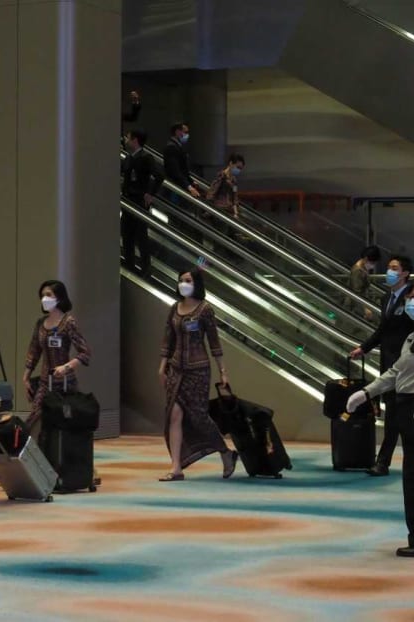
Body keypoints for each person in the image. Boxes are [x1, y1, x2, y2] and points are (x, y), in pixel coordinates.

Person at [346, 282, 414, 558]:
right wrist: (366, 392)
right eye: (411, 297)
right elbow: (397, 372)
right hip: (409, 407)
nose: (413, 301)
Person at [157, 268, 238, 481]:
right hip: (176, 369)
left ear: (197, 284)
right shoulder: (175, 308)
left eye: (188, 280)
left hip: (198, 370)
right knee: (173, 416)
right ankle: (176, 467)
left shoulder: (205, 310)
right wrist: (162, 366)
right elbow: (168, 339)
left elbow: (214, 341)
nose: (183, 283)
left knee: (199, 417)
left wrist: (223, 371)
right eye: (181, 280)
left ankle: (225, 452)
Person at [350, 255, 414, 476]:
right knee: (392, 415)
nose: (390, 271)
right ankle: (384, 462)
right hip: (389, 364)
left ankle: (394, 461)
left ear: (405, 273)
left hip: (408, 366)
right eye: (389, 268)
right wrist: (364, 348)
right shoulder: (387, 298)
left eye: (395, 268)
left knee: (403, 415)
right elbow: (383, 330)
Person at [22, 280, 92, 444]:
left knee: (66, 424)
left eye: (49, 295)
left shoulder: (68, 322)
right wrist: (26, 376)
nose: (44, 299)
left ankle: (66, 462)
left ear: (59, 298)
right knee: (34, 419)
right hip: (46, 383)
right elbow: (34, 351)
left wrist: (67, 366)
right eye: (42, 295)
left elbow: (85, 352)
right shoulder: (40, 324)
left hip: (65, 384)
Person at [121, 128, 164, 276]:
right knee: (127, 235)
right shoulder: (128, 158)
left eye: (128, 137)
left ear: (135, 140)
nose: (126, 140)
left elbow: (159, 176)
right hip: (127, 200)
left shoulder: (146, 157)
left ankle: (145, 268)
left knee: (141, 236)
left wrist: (150, 194)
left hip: (139, 201)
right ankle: (129, 264)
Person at [163, 122, 201, 199]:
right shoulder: (171, 147)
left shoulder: (178, 146)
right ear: (177, 132)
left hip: (180, 184)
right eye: (185, 132)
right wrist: (189, 186)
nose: (187, 135)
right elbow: (175, 171)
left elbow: (183, 170)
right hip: (175, 186)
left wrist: (191, 181)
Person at [344, 245, 381, 320]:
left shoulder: (362, 268)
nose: (373, 265)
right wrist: (366, 308)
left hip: (358, 304)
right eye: (373, 262)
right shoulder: (358, 271)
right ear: (366, 258)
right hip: (354, 305)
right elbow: (357, 291)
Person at [206, 153, 245, 220]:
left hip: (228, 209)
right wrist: (208, 207)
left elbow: (234, 196)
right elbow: (213, 191)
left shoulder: (234, 180)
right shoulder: (221, 176)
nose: (238, 170)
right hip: (219, 208)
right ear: (231, 163)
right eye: (237, 167)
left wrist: (236, 213)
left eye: (241, 169)